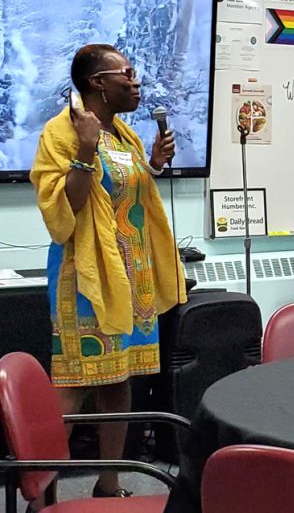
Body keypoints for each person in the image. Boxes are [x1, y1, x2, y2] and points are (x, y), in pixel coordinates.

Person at [30, 44, 185, 503]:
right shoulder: (62, 132)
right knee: (75, 384)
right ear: (98, 82)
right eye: (128, 74)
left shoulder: (123, 134)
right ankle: (41, 493)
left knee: (119, 382)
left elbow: (125, 196)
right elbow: (64, 211)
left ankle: (109, 482)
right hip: (85, 279)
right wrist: (83, 148)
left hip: (131, 276)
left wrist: (153, 163)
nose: (136, 83)